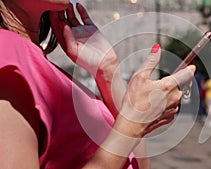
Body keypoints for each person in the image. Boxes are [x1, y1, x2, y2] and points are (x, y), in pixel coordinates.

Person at [0, 1, 195, 169]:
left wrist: (109, 73)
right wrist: (131, 126)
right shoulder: (8, 54)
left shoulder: (30, 58)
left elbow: (137, 163)